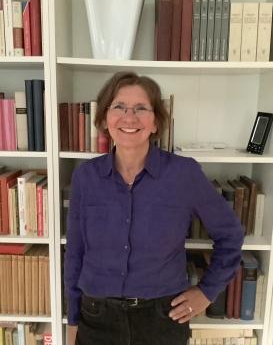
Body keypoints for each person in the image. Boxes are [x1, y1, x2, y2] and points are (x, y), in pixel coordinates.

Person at [64, 71, 244, 345]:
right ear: (103, 118)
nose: (129, 117)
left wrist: (207, 292)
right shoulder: (85, 177)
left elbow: (230, 235)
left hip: (162, 319)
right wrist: (73, 320)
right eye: (119, 107)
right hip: (96, 318)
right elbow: (75, 253)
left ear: (156, 122)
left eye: (141, 108)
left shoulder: (184, 174)